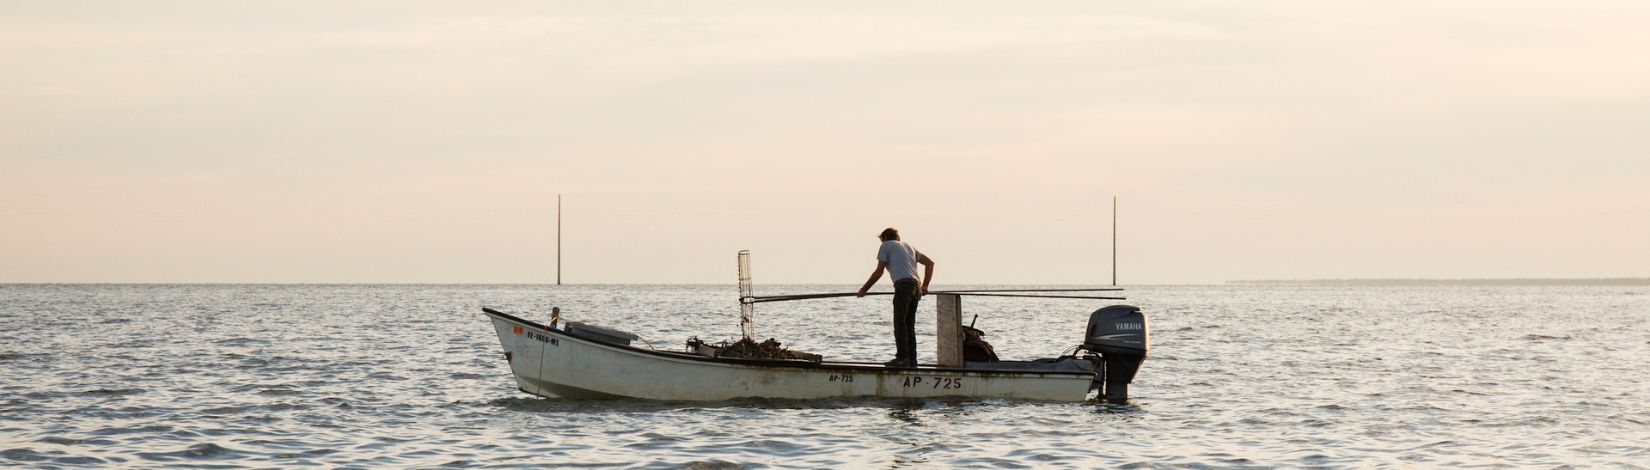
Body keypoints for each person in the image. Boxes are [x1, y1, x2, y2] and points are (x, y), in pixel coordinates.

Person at [856, 227, 935, 368]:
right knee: (909, 325)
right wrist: (925, 286)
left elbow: (879, 272)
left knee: (900, 324)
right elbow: (930, 263)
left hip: (903, 286)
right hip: (916, 287)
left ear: (885, 238)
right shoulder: (910, 247)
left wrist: (864, 289)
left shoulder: (886, 245)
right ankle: (912, 360)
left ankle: (902, 359)